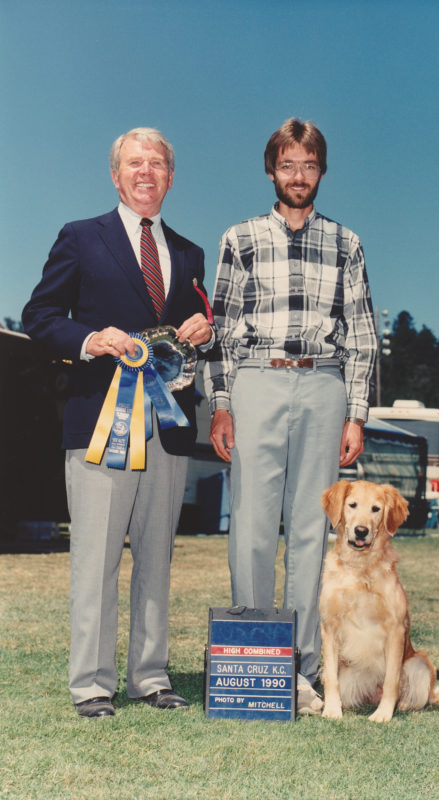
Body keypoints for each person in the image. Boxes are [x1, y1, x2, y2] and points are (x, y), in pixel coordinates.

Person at [22, 128, 213, 718]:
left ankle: (151, 677)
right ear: (116, 174)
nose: (146, 172)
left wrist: (203, 328)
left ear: (171, 177)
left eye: (157, 163)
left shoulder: (188, 252)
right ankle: (92, 684)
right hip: (100, 423)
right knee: (97, 560)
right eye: (135, 162)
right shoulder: (81, 237)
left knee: (157, 558)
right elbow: (39, 316)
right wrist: (89, 338)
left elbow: (195, 328)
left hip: (168, 426)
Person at [205, 118, 377, 714]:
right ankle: (254, 652)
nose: (298, 176)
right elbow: (222, 331)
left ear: (321, 172)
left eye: (309, 165)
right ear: (271, 170)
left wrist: (356, 413)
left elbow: (361, 335)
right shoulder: (240, 237)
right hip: (256, 379)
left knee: (312, 528)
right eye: (287, 165)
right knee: (252, 522)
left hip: (325, 384)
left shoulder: (346, 242)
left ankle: (305, 667)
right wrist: (221, 403)